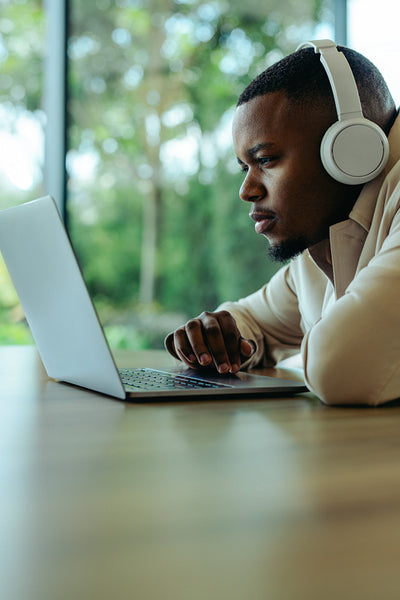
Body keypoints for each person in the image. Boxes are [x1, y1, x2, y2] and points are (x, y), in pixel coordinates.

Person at [165, 41, 400, 406]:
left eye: (266, 160)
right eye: (245, 167)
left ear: (353, 150)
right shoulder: (322, 244)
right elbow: (252, 319)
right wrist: (221, 338)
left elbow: (340, 368)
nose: (247, 190)